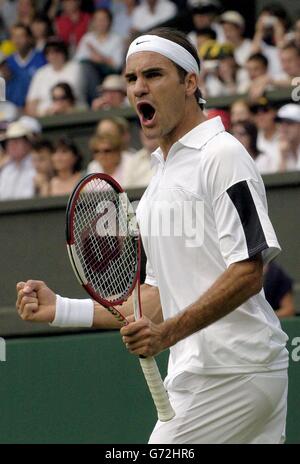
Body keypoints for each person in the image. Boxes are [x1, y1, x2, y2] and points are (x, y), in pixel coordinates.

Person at [16, 27, 289, 444]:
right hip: (227, 372)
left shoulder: (224, 155)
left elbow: (249, 270)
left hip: (230, 373)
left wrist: (169, 334)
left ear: (190, 83)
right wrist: (61, 309)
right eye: (131, 79)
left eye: (154, 75)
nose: (139, 87)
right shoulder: (160, 178)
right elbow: (155, 298)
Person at [25, 36, 83, 116]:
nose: (53, 56)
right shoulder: (40, 73)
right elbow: (31, 104)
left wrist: (60, 109)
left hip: (71, 114)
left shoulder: (77, 68)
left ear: (64, 52)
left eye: (57, 51)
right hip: (44, 117)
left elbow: (78, 98)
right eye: (49, 52)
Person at [5, 23, 46, 108]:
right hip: (12, 110)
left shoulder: (41, 59)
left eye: (21, 36)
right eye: (14, 36)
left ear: (29, 38)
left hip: (37, 107)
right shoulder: (6, 62)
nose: (17, 40)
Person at [0, 120, 36, 199]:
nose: (12, 145)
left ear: (28, 144)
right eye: (9, 142)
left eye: (16, 141)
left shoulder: (36, 164)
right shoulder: (4, 168)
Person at [275, 103, 300, 172]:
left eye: (289, 122)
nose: (283, 127)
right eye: (280, 122)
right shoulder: (278, 147)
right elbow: (279, 181)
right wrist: (283, 158)